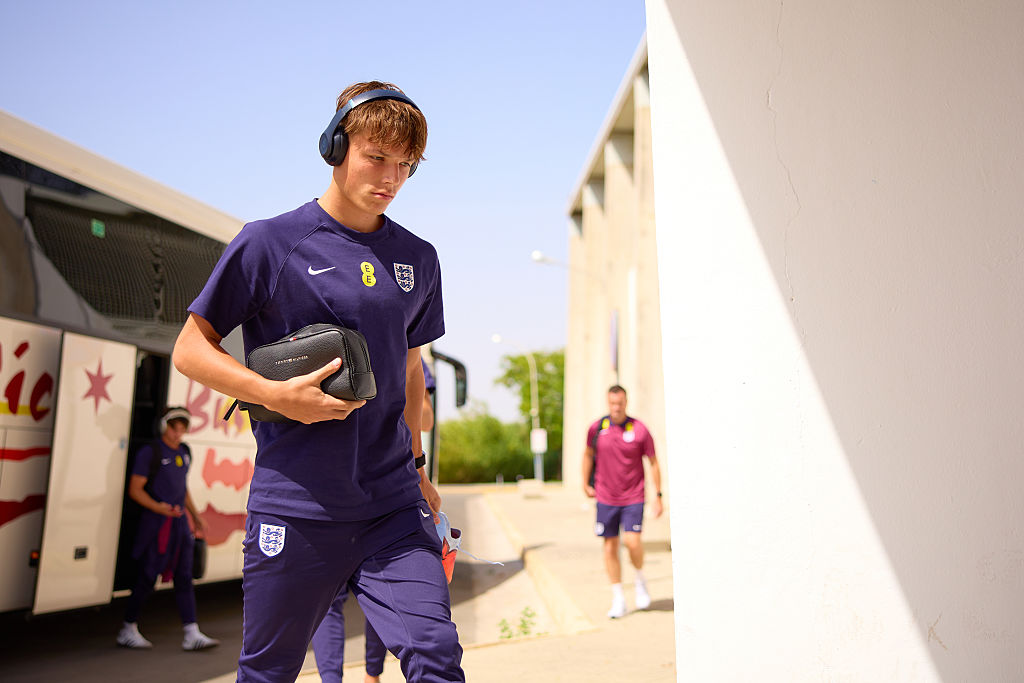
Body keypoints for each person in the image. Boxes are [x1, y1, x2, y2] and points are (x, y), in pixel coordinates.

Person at [172, 81, 464, 682]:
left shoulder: (419, 258)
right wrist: (274, 395)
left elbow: (411, 371)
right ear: (336, 146)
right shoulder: (269, 242)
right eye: (376, 156)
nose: (390, 177)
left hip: (391, 506)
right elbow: (190, 349)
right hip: (298, 506)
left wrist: (417, 467)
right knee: (269, 671)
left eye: (404, 164)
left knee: (435, 654)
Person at [311, 357, 437, 683]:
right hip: (342, 488)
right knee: (338, 598)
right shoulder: (335, 345)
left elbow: (425, 418)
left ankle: (372, 675)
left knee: (380, 596)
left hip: (386, 488)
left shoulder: (408, 353)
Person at [116, 406, 220, 650]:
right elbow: (135, 490)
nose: (178, 432)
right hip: (156, 524)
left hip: (179, 524)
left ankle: (191, 633)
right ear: (164, 426)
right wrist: (159, 507)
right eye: (174, 426)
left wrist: (195, 516)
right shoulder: (149, 452)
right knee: (147, 576)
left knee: (185, 577)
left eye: (182, 427)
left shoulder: (184, 452)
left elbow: (182, 489)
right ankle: (127, 628)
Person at [581, 385, 663, 619]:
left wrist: (658, 495)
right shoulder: (597, 429)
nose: (616, 407)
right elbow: (587, 454)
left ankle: (639, 579)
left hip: (634, 496)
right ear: (608, 403)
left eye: (620, 403)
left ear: (626, 402)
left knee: (633, 542)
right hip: (606, 497)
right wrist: (584, 483)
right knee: (610, 547)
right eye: (612, 403)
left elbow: (654, 462)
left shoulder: (639, 429)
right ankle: (618, 596)